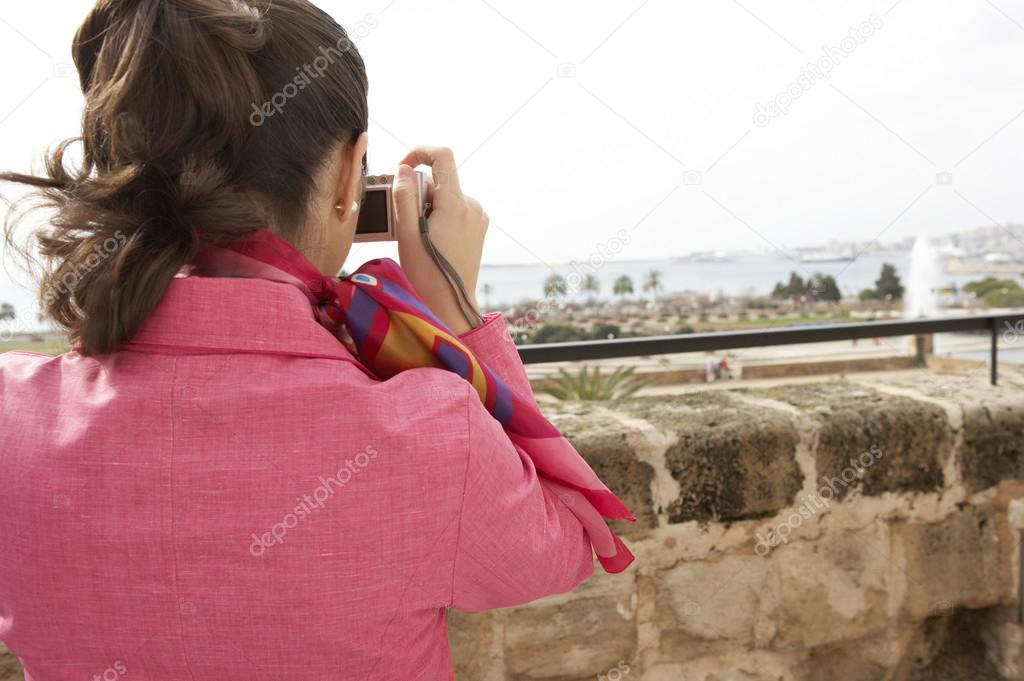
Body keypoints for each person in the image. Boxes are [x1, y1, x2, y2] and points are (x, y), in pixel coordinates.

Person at [0, 1, 599, 678]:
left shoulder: (11, 418)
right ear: (352, 175)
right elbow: (574, 532)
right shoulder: (430, 432)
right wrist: (454, 320)